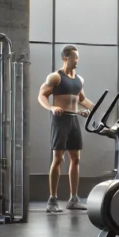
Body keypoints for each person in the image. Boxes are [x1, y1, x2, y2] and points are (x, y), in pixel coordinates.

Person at [38, 45, 94, 214]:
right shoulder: (55, 77)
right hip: (60, 120)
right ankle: (52, 199)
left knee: (76, 159)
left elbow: (82, 99)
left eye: (78, 57)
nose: (77, 60)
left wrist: (93, 109)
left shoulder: (80, 80)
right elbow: (41, 95)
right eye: (74, 57)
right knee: (58, 159)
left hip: (73, 119)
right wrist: (51, 108)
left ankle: (73, 198)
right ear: (65, 58)